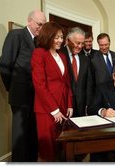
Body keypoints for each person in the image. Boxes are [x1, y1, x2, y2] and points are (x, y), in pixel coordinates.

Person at [0, 9, 46, 162]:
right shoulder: (16, 35)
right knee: (20, 137)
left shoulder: (39, 42)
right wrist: (11, 87)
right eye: (39, 24)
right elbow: (5, 64)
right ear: (29, 21)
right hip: (20, 96)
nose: (41, 27)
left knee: (32, 134)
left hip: (35, 98)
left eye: (43, 25)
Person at [31, 21, 73, 161]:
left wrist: (69, 104)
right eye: (56, 37)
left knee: (60, 145)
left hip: (62, 105)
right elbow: (39, 85)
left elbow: (67, 83)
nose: (60, 40)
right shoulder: (39, 53)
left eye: (61, 37)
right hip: (46, 109)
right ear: (48, 36)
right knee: (48, 148)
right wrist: (54, 110)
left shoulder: (61, 56)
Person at [60, 27, 93, 117]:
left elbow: (88, 84)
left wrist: (87, 105)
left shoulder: (85, 59)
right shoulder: (59, 55)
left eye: (82, 43)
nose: (80, 46)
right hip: (63, 104)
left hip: (81, 107)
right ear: (68, 40)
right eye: (77, 43)